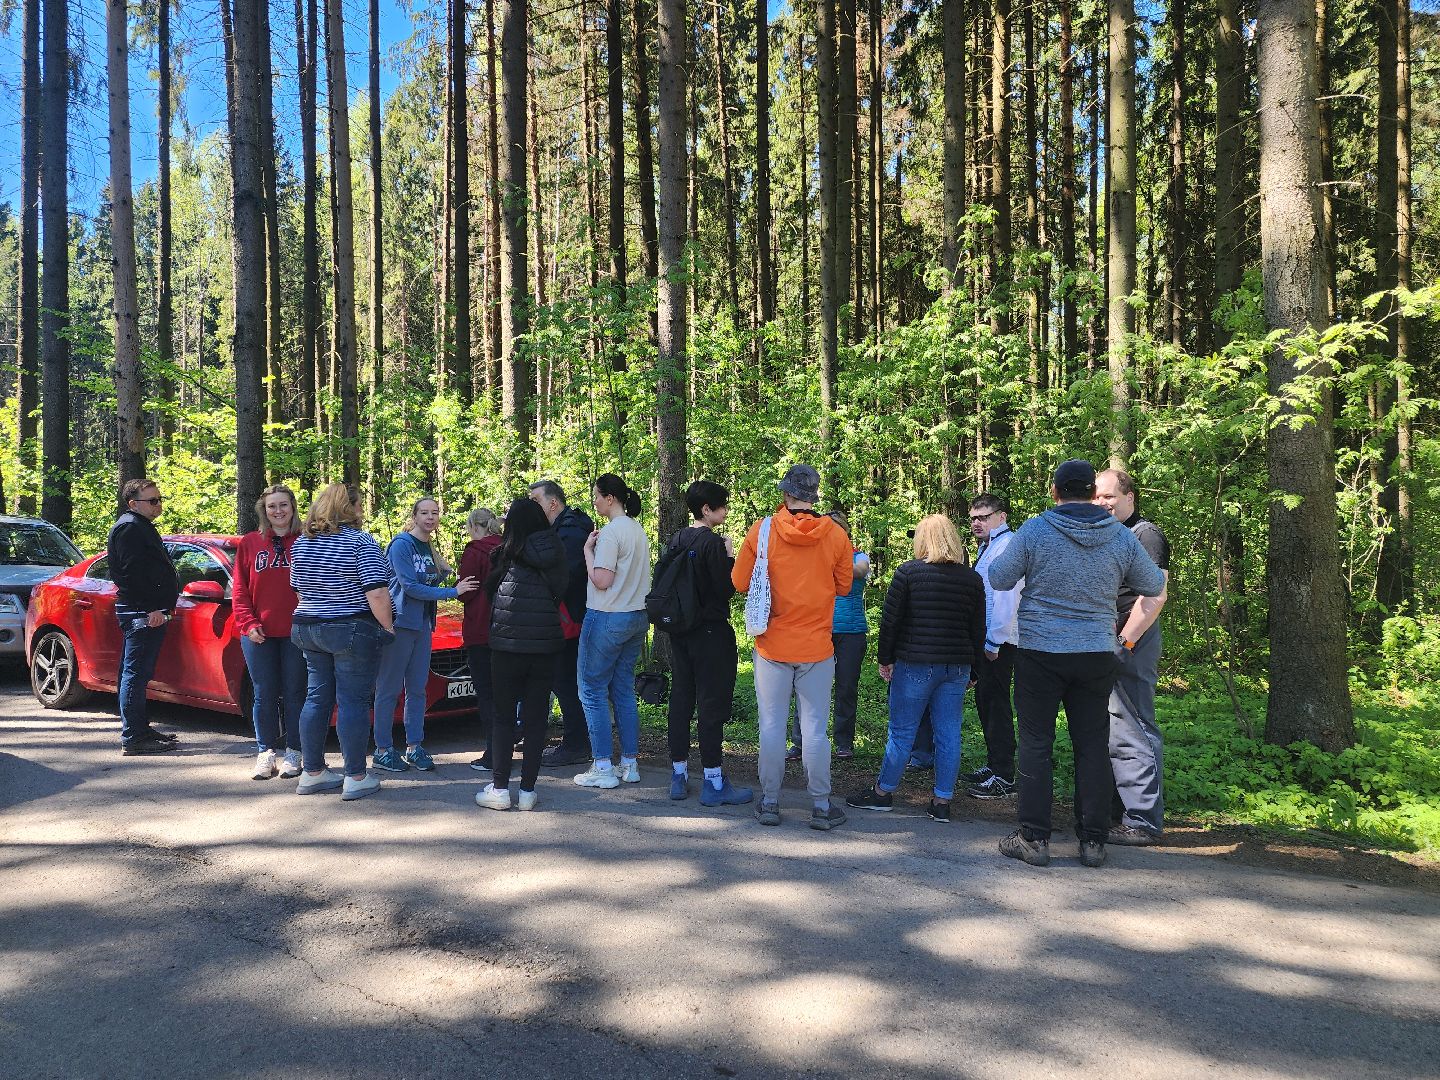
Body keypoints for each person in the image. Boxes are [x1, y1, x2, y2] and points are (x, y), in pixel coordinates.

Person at [987, 460, 1165, 868]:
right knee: (1092, 744)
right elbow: (1154, 584)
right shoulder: (1119, 535)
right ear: (1091, 494)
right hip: (1096, 654)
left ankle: (1034, 838)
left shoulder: (1035, 530)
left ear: (1055, 492)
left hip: (1041, 653)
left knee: (1036, 742)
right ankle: (1093, 841)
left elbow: (998, 577)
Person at [731, 464, 853, 830]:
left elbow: (739, 581)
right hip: (817, 647)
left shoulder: (763, 530)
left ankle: (770, 802)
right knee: (814, 730)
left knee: (771, 726)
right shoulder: (836, 535)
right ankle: (821, 806)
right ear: (813, 496)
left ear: (786, 493)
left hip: (772, 645)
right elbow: (844, 586)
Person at [846, 515, 985, 822]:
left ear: (923, 540)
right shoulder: (972, 579)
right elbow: (978, 628)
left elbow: (891, 621)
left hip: (916, 664)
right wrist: (975, 669)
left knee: (902, 732)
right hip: (956, 667)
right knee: (949, 734)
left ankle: (882, 793)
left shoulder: (908, 572)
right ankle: (942, 801)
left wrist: (885, 658)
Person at [288, 483, 396, 801]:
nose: (362, 510)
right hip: (349, 628)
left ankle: (312, 772)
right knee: (353, 702)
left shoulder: (302, 543)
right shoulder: (360, 541)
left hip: (307, 627)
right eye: (358, 504)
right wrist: (388, 627)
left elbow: (298, 588)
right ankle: (356, 776)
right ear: (347, 508)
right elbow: (377, 591)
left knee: (316, 698)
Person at [371, 497, 479, 773]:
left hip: (422, 625)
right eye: (425, 513)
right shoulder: (401, 545)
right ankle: (383, 749)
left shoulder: (428, 546)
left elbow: (428, 579)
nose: (430, 517)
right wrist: (453, 592)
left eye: (435, 513)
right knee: (389, 689)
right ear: (415, 516)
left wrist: (445, 574)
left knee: (417, 688)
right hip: (399, 625)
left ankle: (414, 746)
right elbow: (410, 586)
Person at [662, 481, 753, 806]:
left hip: (680, 631)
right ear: (706, 509)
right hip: (710, 632)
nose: (726, 511)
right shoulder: (713, 544)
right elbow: (726, 589)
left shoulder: (677, 539)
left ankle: (678, 775)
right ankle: (713, 781)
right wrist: (729, 556)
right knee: (711, 704)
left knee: (681, 699)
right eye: (722, 505)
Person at [475, 498, 568, 811]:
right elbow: (560, 591)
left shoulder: (505, 553)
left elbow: (491, 594)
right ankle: (528, 791)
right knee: (536, 718)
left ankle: (500, 789)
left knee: (503, 717)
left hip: (507, 647)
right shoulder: (556, 550)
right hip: (544, 645)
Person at [1094, 468, 1170, 845]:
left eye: (1109, 496)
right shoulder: (1110, 535)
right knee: (1112, 728)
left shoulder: (1145, 535)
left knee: (1133, 726)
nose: (1102, 503)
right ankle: (1116, 812)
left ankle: (1143, 820)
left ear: (1129, 497)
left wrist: (1124, 642)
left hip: (1131, 638)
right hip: (1110, 637)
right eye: (1096, 497)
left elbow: (1154, 596)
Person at [573, 475, 653, 790]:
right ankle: (629, 763)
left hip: (607, 616)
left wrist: (587, 551)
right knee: (622, 689)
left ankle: (603, 766)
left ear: (610, 498)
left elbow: (602, 581)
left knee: (591, 690)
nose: (594, 501)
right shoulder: (637, 530)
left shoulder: (609, 533)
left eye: (596, 495)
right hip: (636, 616)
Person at [233, 484, 307, 780]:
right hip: (258, 633)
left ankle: (295, 751)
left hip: (297, 631)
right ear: (263, 510)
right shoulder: (250, 542)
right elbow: (240, 589)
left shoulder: (306, 540)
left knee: (295, 693)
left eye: (283, 505)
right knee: (263, 693)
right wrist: (248, 623)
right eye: (272, 506)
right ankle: (265, 752)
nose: (278, 511)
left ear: (293, 507)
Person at [787, 511, 870, 761]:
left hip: (851, 633)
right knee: (807, 687)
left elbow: (860, 571)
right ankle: (801, 742)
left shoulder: (859, 557)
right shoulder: (812, 555)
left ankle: (843, 743)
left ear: (844, 532)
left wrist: (828, 560)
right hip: (817, 630)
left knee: (846, 688)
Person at [109, 478, 181, 756]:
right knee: (135, 673)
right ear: (133, 503)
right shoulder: (130, 528)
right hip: (141, 613)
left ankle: (140, 728)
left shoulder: (140, 526)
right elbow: (130, 575)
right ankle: (133, 737)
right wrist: (150, 608)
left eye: (159, 499)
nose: (158, 504)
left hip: (146, 610)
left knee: (137, 673)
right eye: (152, 500)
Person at [529, 481, 596, 768]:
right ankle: (576, 741)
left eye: (536, 500)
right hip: (568, 617)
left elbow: (565, 575)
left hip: (571, 619)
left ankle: (576, 744)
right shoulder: (565, 528)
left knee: (565, 680)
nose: (533, 505)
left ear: (553, 503)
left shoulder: (570, 531)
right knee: (563, 680)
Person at [963, 493, 1023, 799]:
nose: (977, 523)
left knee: (996, 704)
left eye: (983, 517)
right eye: (973, 518)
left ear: (1001, 517)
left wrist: (994, 641)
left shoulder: (1007, 546)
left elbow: (1007, 597)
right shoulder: (988, 546)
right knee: (986, 701)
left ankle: (1004, 775)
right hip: (988, 639)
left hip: (999, 641)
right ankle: (994, 765)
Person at [458, 508, 504, 772]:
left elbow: (465, 592)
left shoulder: (475, 551)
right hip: (507, 629)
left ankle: (493, 754)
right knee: (505, 693)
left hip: (480, 628)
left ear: (474, 526)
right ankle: (506, 746)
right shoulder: (509, 548)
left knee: (486, 694)